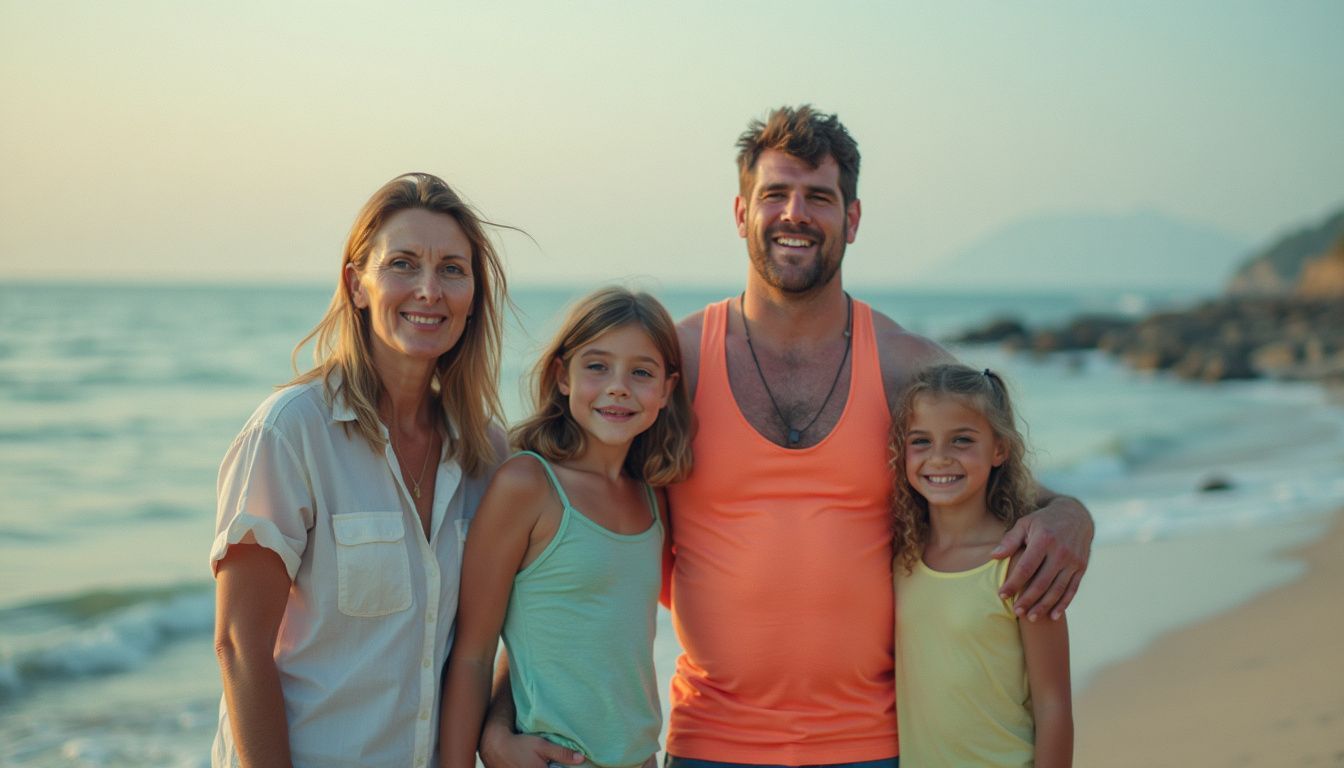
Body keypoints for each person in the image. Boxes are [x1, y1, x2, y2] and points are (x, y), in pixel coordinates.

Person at [483, 106, 1092, 768]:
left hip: (875, 746)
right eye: (775, 194)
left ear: (851, 220)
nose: (794, 214)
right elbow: (569, 564)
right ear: (741, 213)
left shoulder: (907, 367)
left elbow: (993, 475)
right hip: (709, 743)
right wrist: (494, 724)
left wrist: (1071, 514)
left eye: (819, 198)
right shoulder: (670, 368)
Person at [211, 172, 508, 767]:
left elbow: (502, 639)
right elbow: (241, 646)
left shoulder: (486, 455)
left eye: (453, 269)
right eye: (402, 264)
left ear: (473, 294)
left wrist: (499, 733)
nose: (429, 289)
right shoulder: (290, 432)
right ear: (357, 285)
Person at [440, 287, 693, 768]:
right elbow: (473, 651)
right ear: (562, 375)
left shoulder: (652, 497)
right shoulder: (528, 485)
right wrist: (483, 746)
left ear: (666, 389)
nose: (619, 387)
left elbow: (563, 637)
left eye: (641, 372)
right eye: (597, 366)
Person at [892, 364, 1072, 767]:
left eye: (961, 441)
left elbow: (1053, 706)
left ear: (999, 449)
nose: (939, 458)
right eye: (920, 441)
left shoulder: (1021, 565)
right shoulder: (901, 558)